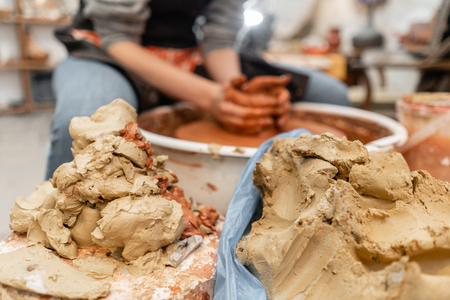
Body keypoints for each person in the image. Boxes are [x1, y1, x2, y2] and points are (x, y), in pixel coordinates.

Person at [46, 0, 349, 179]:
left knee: (331, 95)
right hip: (109, 50)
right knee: (87, 117)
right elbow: (117, 37)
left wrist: (235, 92)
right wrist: (210, 97)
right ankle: (54, 235)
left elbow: (219, 39)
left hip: (185, 55)